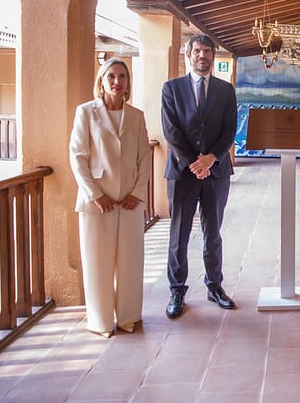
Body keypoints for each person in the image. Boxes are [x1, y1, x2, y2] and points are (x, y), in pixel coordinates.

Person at [69, 58, 150, 337]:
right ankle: (101, 321)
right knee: (97, 262)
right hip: (96, 204)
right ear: (101, 81)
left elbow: (144, 158)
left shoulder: (136, 116)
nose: (118, 81)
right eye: (112, 76)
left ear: (128, 82)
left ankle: (129, 317)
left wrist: (137, 194)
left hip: (129, 201)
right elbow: (78, 157)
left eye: (123, 76)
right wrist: (95, 194)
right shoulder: (85, 113)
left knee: (130, 262)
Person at [162, 34, 238, 319]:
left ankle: (214, 285)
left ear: (213, 56)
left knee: (213, 232)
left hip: (216, 172)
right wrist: (194, 162)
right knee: (179, 233)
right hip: (183, 173)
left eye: (207, 51)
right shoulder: (172, 89)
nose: (202, 56)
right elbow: (170, 130)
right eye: (197, 51)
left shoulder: (225, 90)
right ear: (188, 54)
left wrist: (212, 158)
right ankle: (177, 289)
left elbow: (229, 129)